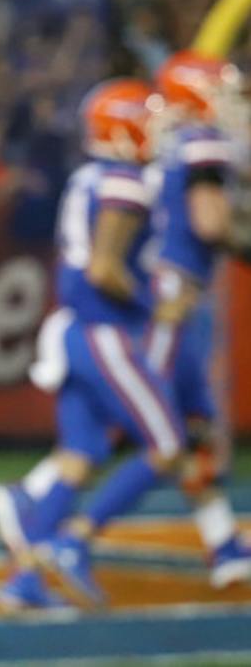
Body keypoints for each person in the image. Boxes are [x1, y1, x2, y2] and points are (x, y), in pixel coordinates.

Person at [0, 80, 185, 609]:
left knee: (81, 454)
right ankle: (75, 538)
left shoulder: (92, 175)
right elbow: (104, 268)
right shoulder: (124, 180)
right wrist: (153, 306)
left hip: (76, 329)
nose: (158, 129)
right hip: (104, 333)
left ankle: (23, 576)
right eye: (149, 119)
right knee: (166, 446)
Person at [145, 51, 251, 585]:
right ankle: (61, 524)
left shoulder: (169, 145)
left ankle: (223, 543)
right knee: (155, 433)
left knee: (193, 425)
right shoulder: (202, 143)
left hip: (165, 289)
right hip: (177, 295)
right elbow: (210, 224)